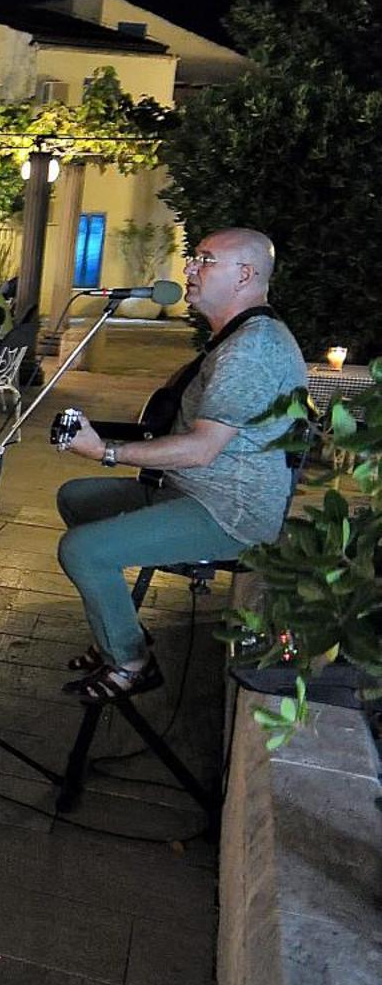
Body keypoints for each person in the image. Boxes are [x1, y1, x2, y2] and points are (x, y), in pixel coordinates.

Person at [54, 228, 306, 701]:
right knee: (77, 497)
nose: (188, 269)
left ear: (245, 275)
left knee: (83, 550)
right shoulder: (237, 336)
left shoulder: (250, 350)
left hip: (231, 512)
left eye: (205, 261)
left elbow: (201, 448)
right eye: (194, 259)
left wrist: (107, 451)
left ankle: (131, 660)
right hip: (192, 489)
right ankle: (120, 625)